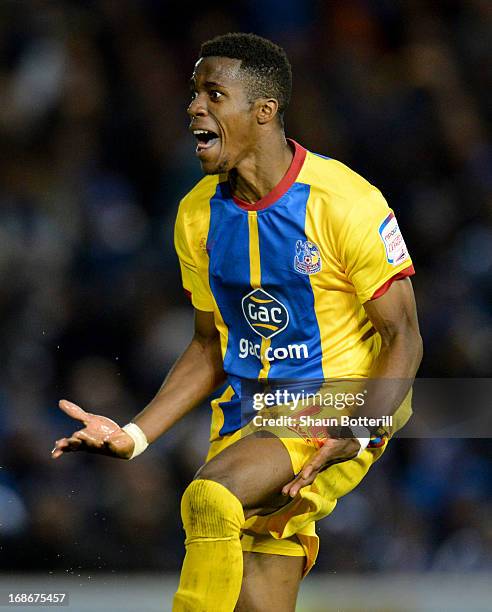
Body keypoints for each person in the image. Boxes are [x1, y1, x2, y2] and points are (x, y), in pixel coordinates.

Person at [52, 32, 423, 611]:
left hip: (341, 400)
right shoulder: (196, 215)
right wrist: (135, 435)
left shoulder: (345, 202)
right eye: (194, 95)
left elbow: (405, 335)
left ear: (264, 111)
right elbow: (207, 346)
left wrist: (360, 426)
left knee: (210, 496)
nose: (194, 108)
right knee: (250, 587)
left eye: (213, 94)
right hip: (251, 415)